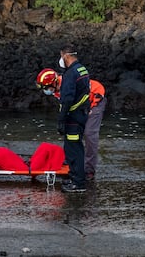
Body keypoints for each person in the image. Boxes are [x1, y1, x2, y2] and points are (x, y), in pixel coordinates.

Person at [36, 68, 107, 181]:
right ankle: (72, 158)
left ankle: (89, 169)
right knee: (72, 130)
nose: (46, 91)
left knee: (89, 134)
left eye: (46, 88)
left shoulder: (67, 85)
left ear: (54, 83)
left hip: (95, 100)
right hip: (81, 104)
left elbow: (76, 100)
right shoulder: (57, 89)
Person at [40, 45, 90, 193]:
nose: (61, 60)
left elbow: (67, 99)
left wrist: (61, 120)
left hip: (73, 117)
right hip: (81, 114)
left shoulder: (70, 74)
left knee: (73, 149)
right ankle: (76, 178)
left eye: (61, 56)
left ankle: (78, 183)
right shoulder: (82, 69)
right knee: (75, 147)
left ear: (66, 56)